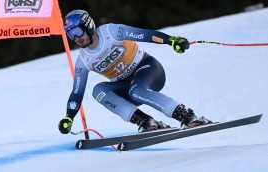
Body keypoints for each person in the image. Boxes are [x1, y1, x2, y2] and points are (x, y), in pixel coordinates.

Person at [58, 9, 212, 134]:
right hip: (126, 85)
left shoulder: (110, 32)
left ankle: (187, 116)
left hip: (148, 70)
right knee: (98, 91)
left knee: (136, 90)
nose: (76, 38)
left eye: (77, 31)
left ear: (88, 26)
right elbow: (77, 93)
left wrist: (170, 40)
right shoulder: (83, 60)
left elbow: (145, 34)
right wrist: (69, 117)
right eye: (70, 34)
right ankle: (145, 121)